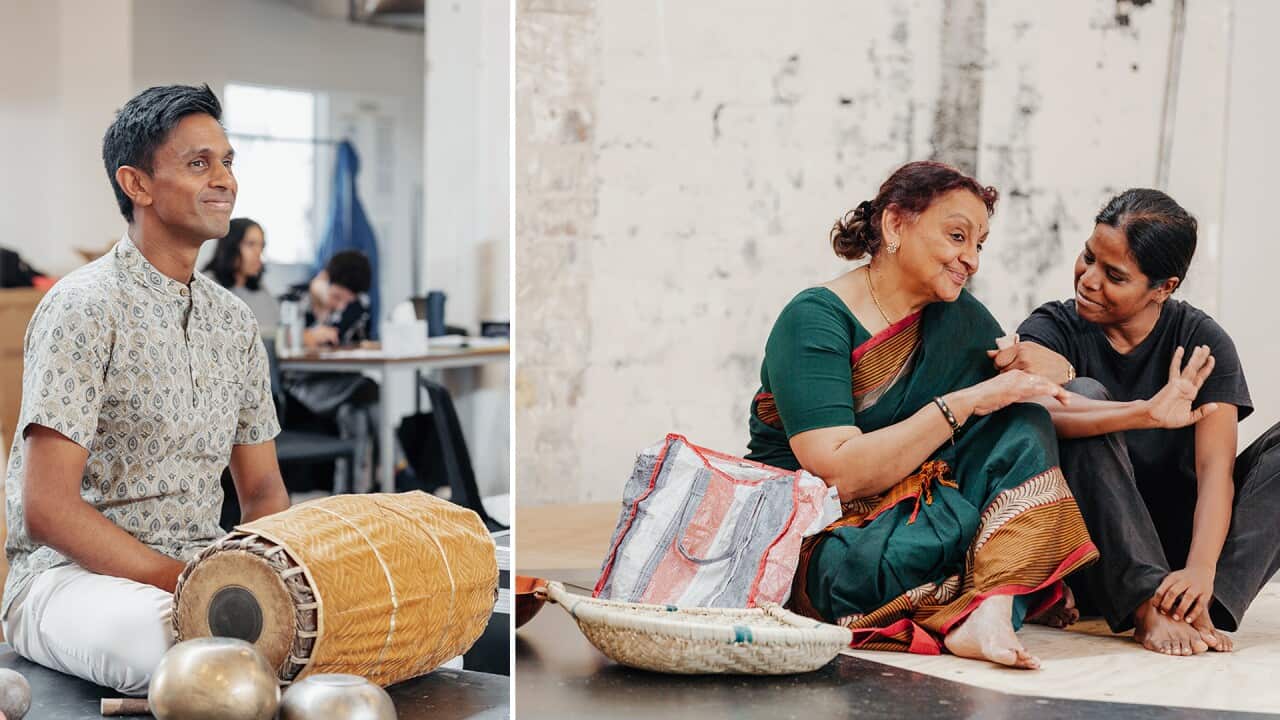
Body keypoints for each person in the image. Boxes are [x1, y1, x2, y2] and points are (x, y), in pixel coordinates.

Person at [745, 161, 1097, 670]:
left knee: (1024, 424)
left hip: (914, 510)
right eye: (957, 236)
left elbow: (1020, 413)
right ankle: (978, 594)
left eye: (980, 244)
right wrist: (966, 401)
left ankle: (991, 607)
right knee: (871, 566)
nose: (971, 259)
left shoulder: (958, 319)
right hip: (819, 532)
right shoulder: (814, 319)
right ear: (894, 225)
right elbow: (836, 471)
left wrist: (1068, 373)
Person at [1, 84, 289, 695]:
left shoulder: (233, 320)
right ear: (137, 185)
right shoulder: (82, 307)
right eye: (197, 163)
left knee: (302, 631)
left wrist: (272, 577)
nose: (224, 180)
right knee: (200, 653)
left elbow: (261, 490)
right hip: (67, 580)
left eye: (228, 161)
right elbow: (48, 509)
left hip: (200, 566)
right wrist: (184, 580)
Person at [994, 188, 1280, 656]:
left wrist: (1202, 571)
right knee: (1083, 399)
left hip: (1180, 548)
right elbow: (1041, 411)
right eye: (1088, 257)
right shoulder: (1053, 327)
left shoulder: (1202, 342)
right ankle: (1147, 604)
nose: (1088, 279)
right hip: (1096, 556)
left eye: (1115, 275)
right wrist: (1144, 413)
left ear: (1163, 287)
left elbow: (1215, 474)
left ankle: (1197, 605)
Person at [280, 250, 378, 492]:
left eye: (347, 301)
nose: (341, 306)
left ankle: (349, 495)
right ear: (323, 279)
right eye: (336, 297)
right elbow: (279, 341)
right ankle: (397, 471)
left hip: (336, 382)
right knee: (367, 391)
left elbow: (352, 342)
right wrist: (310, 335)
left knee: (354, 410)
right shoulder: (294, 299)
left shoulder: (355, 306)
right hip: (299, 384)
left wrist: (340, 313)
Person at [203, 217, 279, 335]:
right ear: (230, 246)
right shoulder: (205, 286)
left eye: (261, 246)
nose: (258, 253)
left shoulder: (260, 289)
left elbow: (276, 332)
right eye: (251, 244)